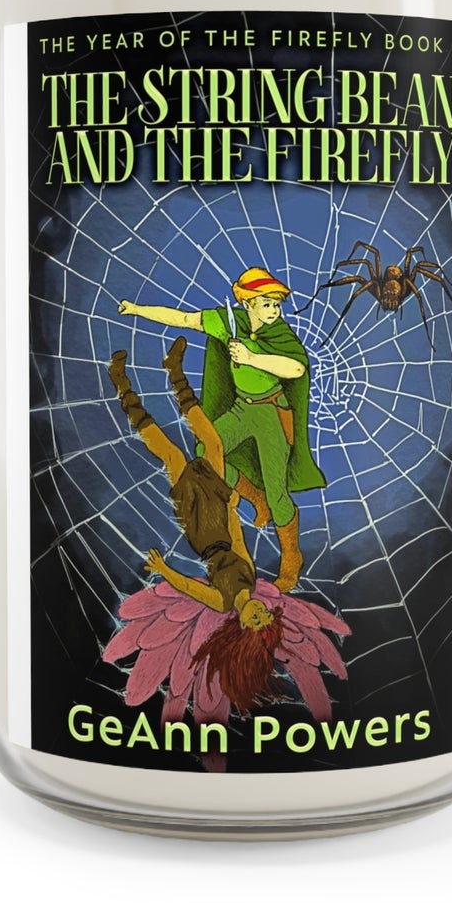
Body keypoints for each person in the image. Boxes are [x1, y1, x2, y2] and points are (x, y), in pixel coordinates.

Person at [118, 267, 326, 592]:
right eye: (266, 303)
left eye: (276, 304)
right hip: (242, 409)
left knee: (278, 492)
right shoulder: (228, 322)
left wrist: (251, 357)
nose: (274, 310)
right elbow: (183, 319)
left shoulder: (281, 334)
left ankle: (291, 556)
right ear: (247, 303)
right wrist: (136, 309)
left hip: (271, 413)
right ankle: (255, 498)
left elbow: (296, 367)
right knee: (207, 455)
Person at [106, 339, 273, 633]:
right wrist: (231, 505)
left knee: (173, 456)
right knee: (214, 444)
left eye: (255, 620)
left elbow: (187, 586)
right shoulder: (250, 576)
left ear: (242, 624)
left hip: (200, 529)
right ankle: (175, 372)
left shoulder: (222, 602)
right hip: (221, 512)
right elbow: (237, 540)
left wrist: (163, 569)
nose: (259, 612)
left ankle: (121, 385)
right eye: (266, 614)